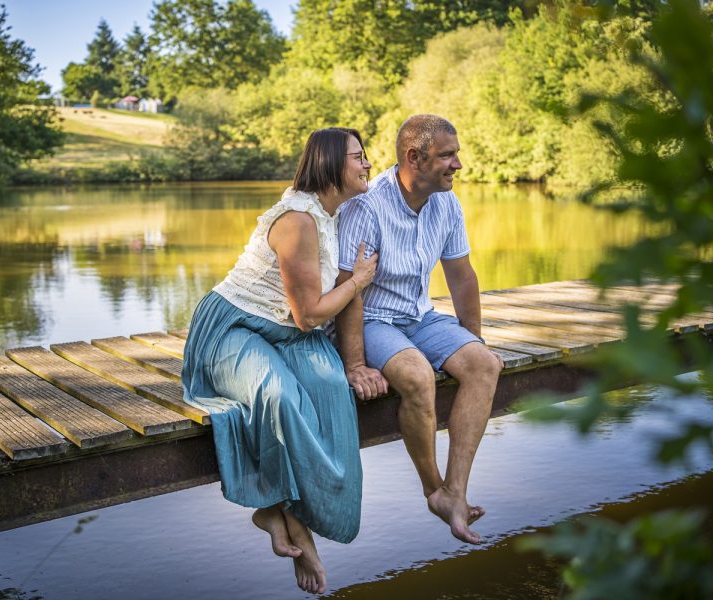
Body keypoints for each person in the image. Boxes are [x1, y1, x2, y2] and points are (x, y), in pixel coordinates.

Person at [182, 127, 377, 595]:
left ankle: (288, 510)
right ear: (330, 165)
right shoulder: (298, 220)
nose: (367, 164)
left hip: (287, 333)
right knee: (278, 395)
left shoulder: (333, 213)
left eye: (366, 157)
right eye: (358, 157)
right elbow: (310, 314)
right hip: (235, 327)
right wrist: (358, 281)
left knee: (332, 392)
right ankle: (280, 513)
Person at [334, 114, 504, 545]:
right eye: (447, 155)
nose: (457, 165)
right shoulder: (366, 206)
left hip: (420, 315)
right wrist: (354, 363)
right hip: (371, 316)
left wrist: (471, 340)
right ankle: (435, 490)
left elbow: (462, 277)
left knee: (484, 365)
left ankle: (457, 490)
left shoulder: (447, 202)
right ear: (414, 157)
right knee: (416, 375)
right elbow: (347, 290)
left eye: (456, 154)